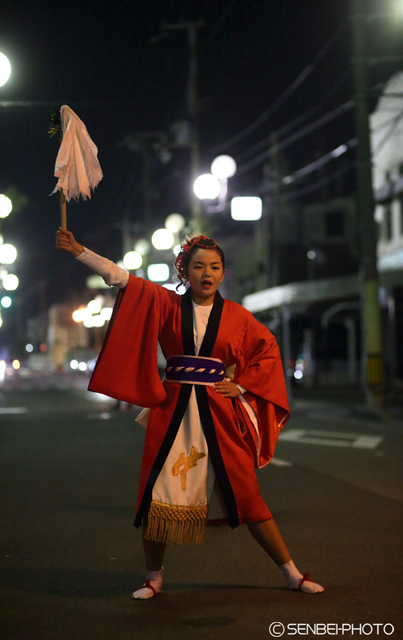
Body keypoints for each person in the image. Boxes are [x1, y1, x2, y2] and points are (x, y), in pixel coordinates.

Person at [56, 228, 324, 599]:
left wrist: (242, 385)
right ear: (184, 272)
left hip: (219, 410)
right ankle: (154, 578)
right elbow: (120, 278)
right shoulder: (164, 303)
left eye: (215, 266)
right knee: (156, 495)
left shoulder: (237, 316)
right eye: (198, 266)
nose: (207, 273)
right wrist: (79, 251)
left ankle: (292, 574)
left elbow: (268, 350)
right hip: (172, 410)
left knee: (247, 493)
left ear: (224, 273)